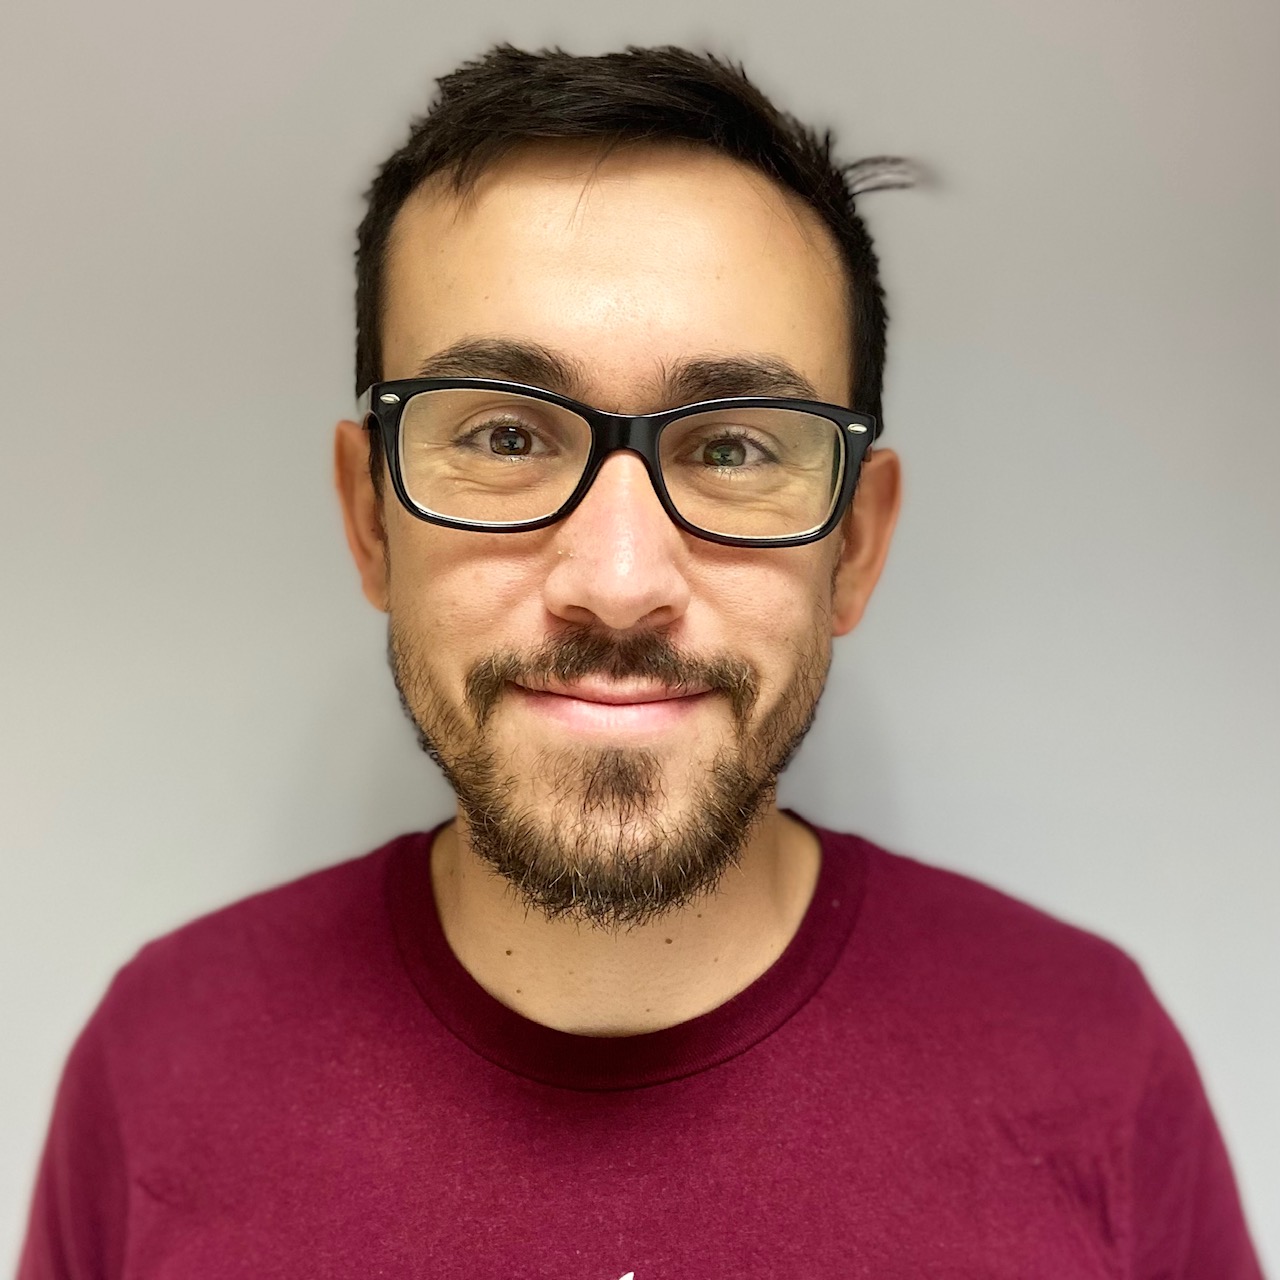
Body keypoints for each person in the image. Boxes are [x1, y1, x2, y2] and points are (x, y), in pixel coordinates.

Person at [19, 44, 1262, 1279]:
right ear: (368, 521)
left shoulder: (1092, 1057)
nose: (617, 581)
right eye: (504, 433)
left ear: (854, 548)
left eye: (730, 450)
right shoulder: (162, 1057)